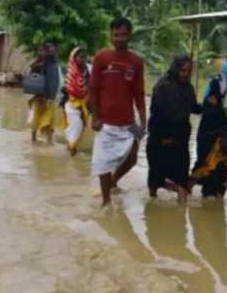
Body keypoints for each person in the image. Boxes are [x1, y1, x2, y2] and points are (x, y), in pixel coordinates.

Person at [90, 17, 146, 206]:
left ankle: (114, 182)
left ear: (130, 35)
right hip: (105, 122)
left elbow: (139, 93)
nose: (119, 38)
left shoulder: (136, 62)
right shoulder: (102, 57)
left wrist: (143, 122)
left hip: (129, 122)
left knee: (132, 158)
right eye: (116, 35)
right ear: (110, 35)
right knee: (103, 163)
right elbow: (93, 89)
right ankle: (106, 201)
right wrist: (95, 117)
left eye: (123, 34)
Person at [190, 50, 227, 198]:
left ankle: (217, 199)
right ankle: (189, 191)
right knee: (204, 164)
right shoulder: (217, 81)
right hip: (210, 132)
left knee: (223, 168)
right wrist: (224, 110)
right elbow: (208, 105)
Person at [146, 56, 201, 203]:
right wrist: (164, 137)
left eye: (189, 71)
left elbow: (194, 107)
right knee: (155, 178)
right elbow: (156, 113)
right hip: (160, 139)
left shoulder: (189, 88)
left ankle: (181, 211)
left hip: (181, 139)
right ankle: (152, 205)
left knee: (182, 176)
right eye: (183, 70)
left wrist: (208, 106)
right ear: (176, 69)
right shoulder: (162, 86)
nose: (185, 74)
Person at [27, 42, 61, 144]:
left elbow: (55, 82)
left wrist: (50, 96)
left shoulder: (53, 65)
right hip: (39, 98)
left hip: (49, 99)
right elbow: (32, 82)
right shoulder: (37, 65)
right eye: (40, 50)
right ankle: (33, 142)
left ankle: (49, 143)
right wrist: (34, 97)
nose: (41, 53)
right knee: (35, 122)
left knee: (49, 123)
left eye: (43, 50)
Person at [61, 46, 90, 155]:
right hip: (72, 105)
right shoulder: (71, 72)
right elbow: (70, 90)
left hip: (84, 104)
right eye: (80, 57)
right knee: (75, 126)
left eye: (85, 57)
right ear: (74, 58)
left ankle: (71, 149)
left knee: (81, 128)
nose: (83, 60)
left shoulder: (87, 71)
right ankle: (72, 155)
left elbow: (89, 85)